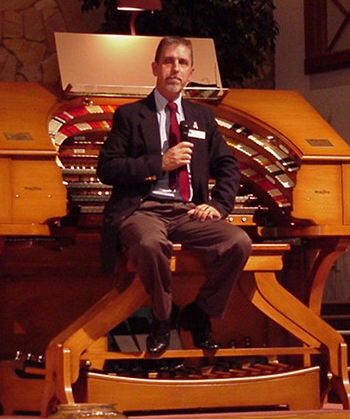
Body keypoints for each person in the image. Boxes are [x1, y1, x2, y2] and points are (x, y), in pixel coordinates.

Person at [97, 36, 252, 356]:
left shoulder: (203, 118)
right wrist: (159, 163)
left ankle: (199, 313)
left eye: (182, 63)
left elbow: (228, 165)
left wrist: (218, 205)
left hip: (187, 210)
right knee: (151, 243)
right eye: (168, 61)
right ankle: (163, 317)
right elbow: (107, 168)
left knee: (238, 242)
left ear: (190, 72)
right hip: (143, 209)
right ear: (155, 67)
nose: (174, 68)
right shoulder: (130, 115)